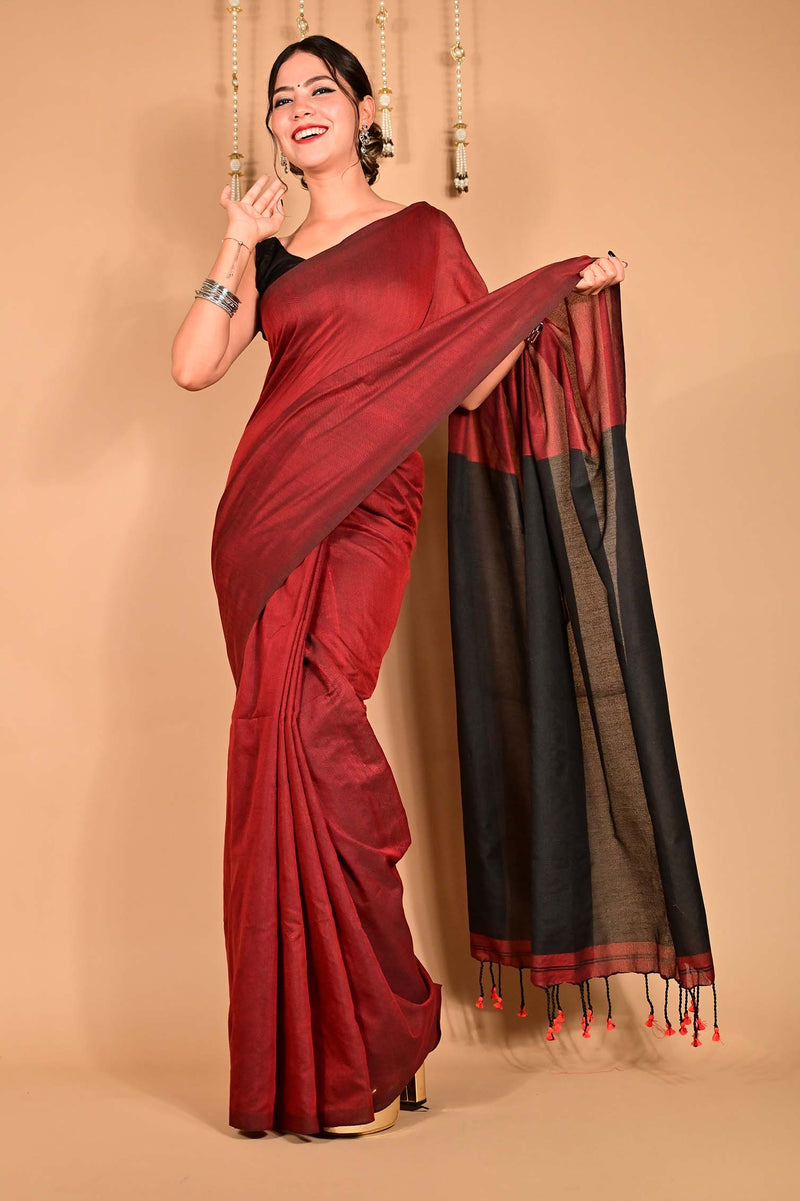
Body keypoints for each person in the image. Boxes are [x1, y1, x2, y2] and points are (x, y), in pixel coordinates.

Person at [172, 35, 714, 1139]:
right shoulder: (272, 260)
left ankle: (385, 1025)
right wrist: (236, 240)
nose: (300, 107)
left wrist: (553, 301)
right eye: (282, 98)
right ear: (269, 127)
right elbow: (193, 366)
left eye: (321, 89)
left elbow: (468, 383)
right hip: (266, 515)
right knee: (276, 743)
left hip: (371, 508)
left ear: (364, 109)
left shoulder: (423, 235)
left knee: (318, 725)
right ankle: (340, 1053)